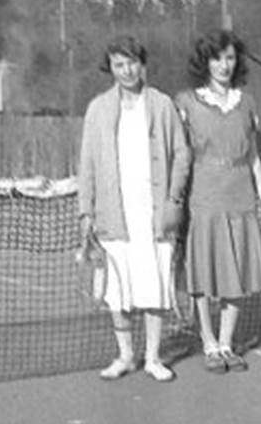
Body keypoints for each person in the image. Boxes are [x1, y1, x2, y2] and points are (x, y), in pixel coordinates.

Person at [77, 35, 190, 382]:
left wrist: (173, 201)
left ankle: (153, 358)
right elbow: (88, 164)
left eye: (131, 63)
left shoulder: (161, 104)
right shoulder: (97, 108)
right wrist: (86, 212)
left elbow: (182, 155)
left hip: (153, 215)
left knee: (153, 286)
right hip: (114, 215)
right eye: (118, 64)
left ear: (143, 64)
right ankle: (125, 356)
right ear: (110, 68)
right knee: (118, 291)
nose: (126, 71)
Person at [175, 29, 261, 373]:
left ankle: (225, 343)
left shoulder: (246, 102)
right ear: (205, 61)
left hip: (241, 196)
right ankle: (208, 344)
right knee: (204, 272)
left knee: (238, 271)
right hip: (204, 195)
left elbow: (252, 157)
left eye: (230, 58)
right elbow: (179, 156)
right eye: (218, 58)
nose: (224, 65)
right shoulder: (187, 102)